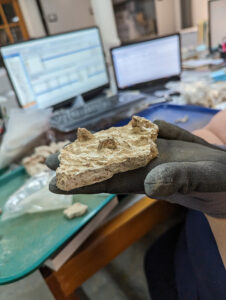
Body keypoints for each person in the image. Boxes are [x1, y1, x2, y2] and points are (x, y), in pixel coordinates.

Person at [46, 119, 226, 300]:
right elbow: (218, 129)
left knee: (164, 270)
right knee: (157, 259)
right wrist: (216, 147)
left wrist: (221, 213)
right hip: (197, 229)